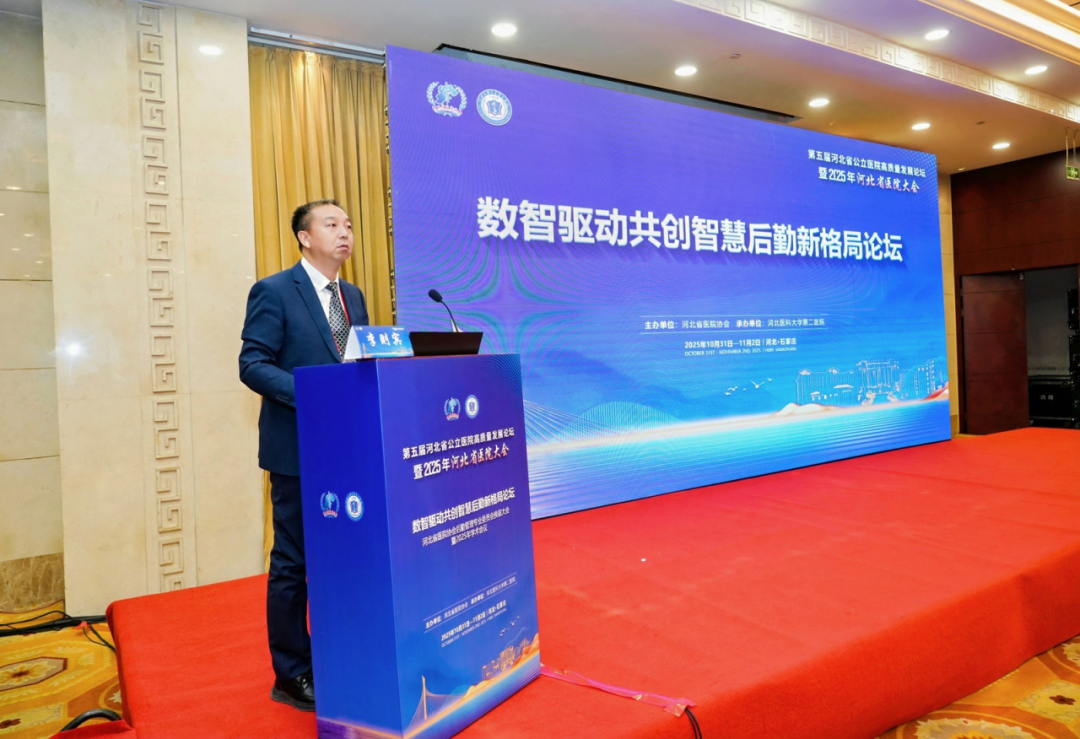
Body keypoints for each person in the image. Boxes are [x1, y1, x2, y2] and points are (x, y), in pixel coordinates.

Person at [239, 199, 369, 711]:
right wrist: (311, 393)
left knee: (343, 557)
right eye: (332, 224)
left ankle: (338, 652)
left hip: (348, 449)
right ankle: (291, 673)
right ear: (304, 236)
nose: (345, 232)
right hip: (296, 449)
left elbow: (357, 363)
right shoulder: (274, 291)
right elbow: (253, 364)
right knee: (294, 563)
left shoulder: (352, 296)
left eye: (348, 224)